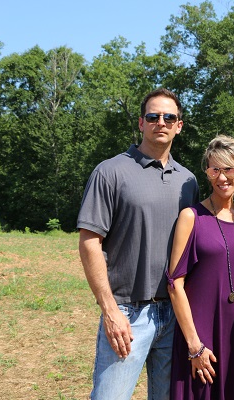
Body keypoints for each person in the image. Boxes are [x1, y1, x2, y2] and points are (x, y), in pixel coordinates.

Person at [77, 88, 199, 399]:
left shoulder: (188, 181)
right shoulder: (110, 172)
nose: (161, 122)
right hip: (126, 315)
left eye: (169, 117)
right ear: (141, 123)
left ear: (179, 126)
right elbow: (90, 241)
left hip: (173, 316)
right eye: (153, 116)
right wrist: (110, 310)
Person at [166, 135, 234, 400]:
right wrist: (194, 346)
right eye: (214, 169)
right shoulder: (191, 217)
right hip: (200, 337)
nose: (222, 177)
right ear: (207, 172)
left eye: (229, 168)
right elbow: (175, 285)